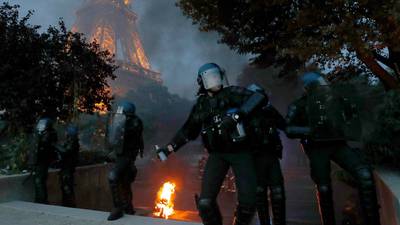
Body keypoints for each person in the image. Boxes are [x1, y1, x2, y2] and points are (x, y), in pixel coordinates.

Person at [157, 63, 267, 225]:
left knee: (248, 203)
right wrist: (169, 148)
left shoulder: (232, 93)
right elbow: (188, 130)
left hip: (241, 152)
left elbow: (260, 98)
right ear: (202, 81)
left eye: (217, 75)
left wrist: (237, 116)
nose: (215, 80)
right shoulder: (201, 105)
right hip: (217, 154)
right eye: (210, 76)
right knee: (205, 203)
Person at [285, 72, 381, 225]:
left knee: (364, 175)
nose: (326, 88)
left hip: (337, 144)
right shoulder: (299, 105)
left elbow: (352, 116)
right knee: (324, 188)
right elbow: (289, 128)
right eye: (321, 85)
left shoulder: (336, 101)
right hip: (317, 148)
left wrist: (349, 119)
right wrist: (311, 130)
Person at [246, 85, 286, 225]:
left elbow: (284, 125)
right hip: (255, 158)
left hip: (272, 156)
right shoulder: (245, 114)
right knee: (260, 193)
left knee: (278, 191)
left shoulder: (269, 111)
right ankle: (264, 222)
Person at [106, 101, 144, 221]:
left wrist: (120, 123)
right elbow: (115, 136)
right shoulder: (122, 121)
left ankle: (118, 208)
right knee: (124, 183)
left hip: (127, 156)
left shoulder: (135, 122)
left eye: (122, 114)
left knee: (113, 176)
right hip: (121, 155)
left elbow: (129, 132)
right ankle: (128, 208)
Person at [33, 117, 58, 204]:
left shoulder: (48, 134)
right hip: (41, 161)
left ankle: (41, 201)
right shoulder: (45, 134)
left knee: (39, 181)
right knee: (39, 180)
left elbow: (43, 147)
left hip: (43, 161)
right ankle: (40, 200)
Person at [58, 124, 80, 207]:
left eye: (67, 131)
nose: (65, 133)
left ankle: (70, 207)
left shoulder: (73, 142)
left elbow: (65, 151)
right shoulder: (70, 141)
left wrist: (55, 145)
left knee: (67, 190)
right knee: (65, 189)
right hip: (65, 169)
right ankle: (67, 205)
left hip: (68, 170)